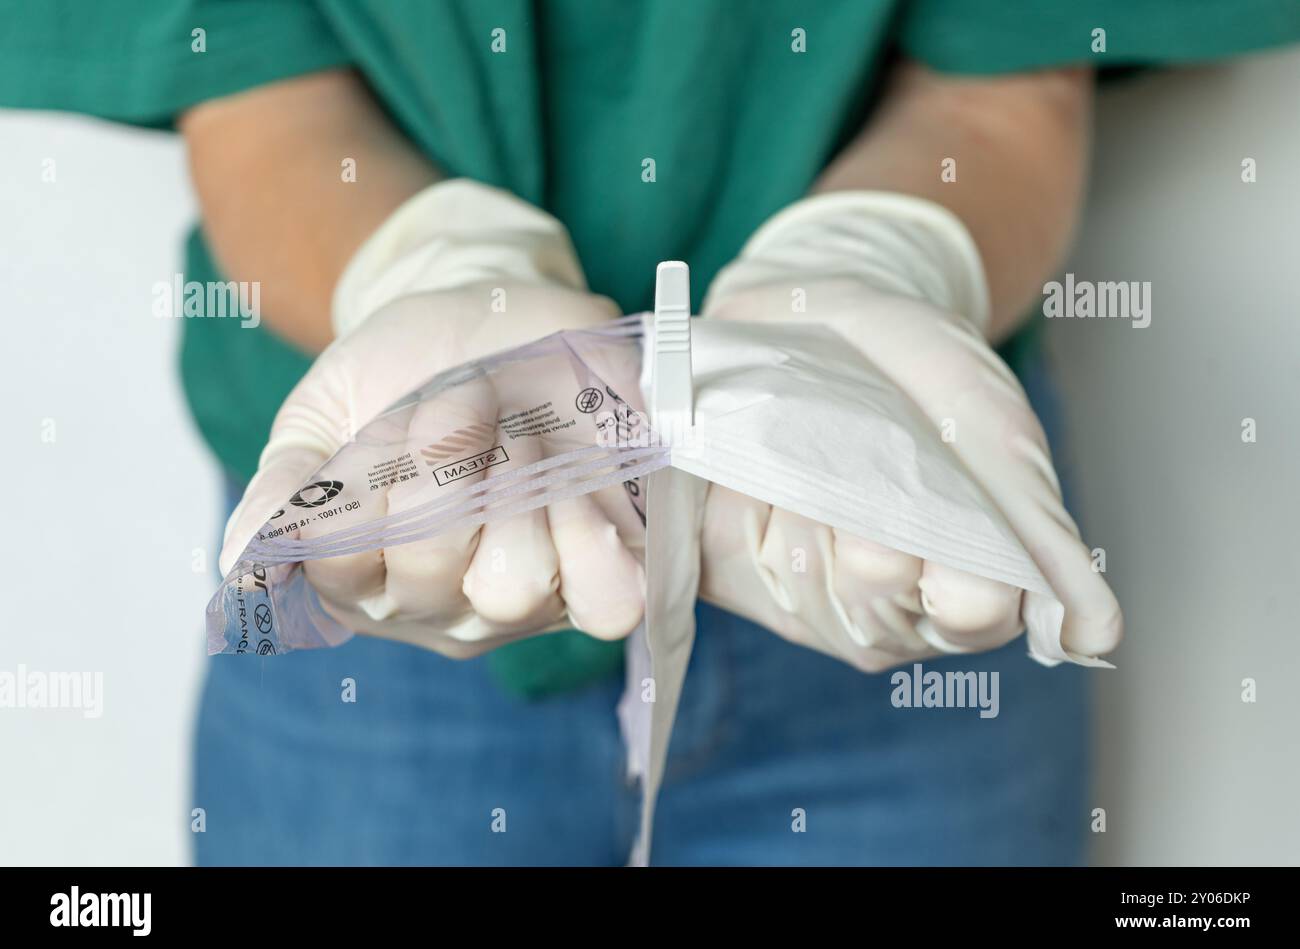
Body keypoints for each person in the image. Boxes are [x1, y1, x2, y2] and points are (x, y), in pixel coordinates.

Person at [4, 1, 1295, 865]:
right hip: (390, 587)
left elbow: (1005, 91)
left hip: (894, 544)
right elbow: (260, 99)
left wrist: (885, 257)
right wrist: (423, 268)